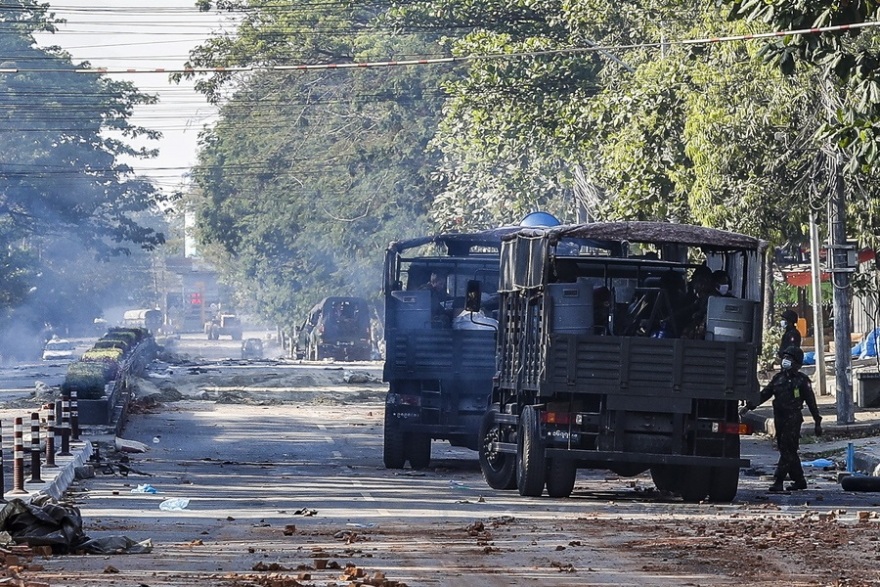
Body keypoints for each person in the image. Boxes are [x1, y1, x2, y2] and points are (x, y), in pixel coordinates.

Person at [741, 346, 822, 492]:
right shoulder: (778, 378)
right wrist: (748, 407)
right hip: (780, 418)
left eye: (790, 358)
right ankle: (799, 480)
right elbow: (765, 394)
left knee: (787, 450)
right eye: (785, 358)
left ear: (797, 363)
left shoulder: (802, 381)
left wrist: (817, 421)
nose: (786, 361)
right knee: (788, 450)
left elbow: (811, 402)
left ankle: (778, 480)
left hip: (793, 419)